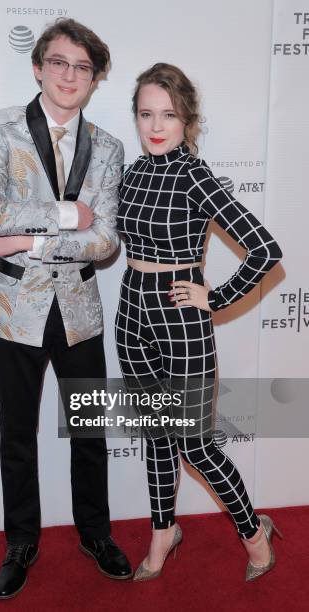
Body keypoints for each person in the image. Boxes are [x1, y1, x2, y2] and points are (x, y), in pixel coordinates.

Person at [0, 18, 132, 599]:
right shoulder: (0, 127)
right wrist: (65, 216)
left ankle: (95, 533)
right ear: (38, 66)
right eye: (59, 62)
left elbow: (106, 241)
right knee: (18, 431)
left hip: (79, 309)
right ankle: (22, 542)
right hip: (14, 309)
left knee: (89, 429)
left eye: (82, 67)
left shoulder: (109, 147)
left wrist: (27, 239)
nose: (69, 75)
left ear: (95, 79)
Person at [115, 63, 283, 582]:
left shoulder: (195, 176)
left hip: (181, 318)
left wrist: (216, 298)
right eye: (146, 113)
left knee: (194, 443)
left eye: (168, 114)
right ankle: (163, 530)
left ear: (188, 119)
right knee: (156, 434)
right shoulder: (136, 171)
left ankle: (255, 533)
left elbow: (264, 251)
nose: (156, 125)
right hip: (131, 311)